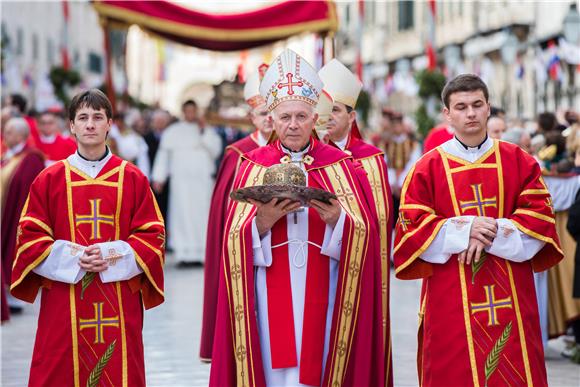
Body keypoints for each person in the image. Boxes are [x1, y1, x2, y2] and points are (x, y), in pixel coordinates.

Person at [210, 49, 383, 387]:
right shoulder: (253, 165)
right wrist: (262, 222)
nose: (293, 125)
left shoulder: (340, 165)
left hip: (327, 286)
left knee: (319, 365)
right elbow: (232, 239)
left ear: (314, 118)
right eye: (285, 117)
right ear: (271, 119)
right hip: (267, 285)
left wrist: (338, 220)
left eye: (301, 116)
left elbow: (368, 234)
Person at [393, 74, 563, 386]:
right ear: (447, 114)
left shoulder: (519, 161)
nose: (470, 113)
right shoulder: (427, 167)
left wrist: (490, 231)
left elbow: (541, 218)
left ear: (488, 109)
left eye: (477, 105)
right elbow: (409, 229)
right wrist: (465, 229)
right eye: (461, 107)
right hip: (450, 294)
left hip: (510, 289)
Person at [10, 89, 165, 386]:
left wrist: (110, 255)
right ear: (71, 125)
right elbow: (29, 237)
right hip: (63, 298)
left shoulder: (132, 178)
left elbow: (153, 236)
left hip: (118, 298)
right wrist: (74, 257)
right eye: (83, 118)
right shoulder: (49, 179)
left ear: (109, 124)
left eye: (98, 117)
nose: (90, 124)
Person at [319, 58, 393, 387]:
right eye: (323, 109)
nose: (327, 118)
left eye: (336, 110)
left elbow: (381, 220)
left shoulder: (371, 158)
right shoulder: (306, 157)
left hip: (359, 266)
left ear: (352, 117)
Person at [200, 65, 272, 361]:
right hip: (246, 247)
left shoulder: (296, 152)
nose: (269, 119)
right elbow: (223, 214)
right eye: (262, 113)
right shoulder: (237, 153)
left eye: (273, 111)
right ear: (251, 117)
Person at [152, 99, 221, 264]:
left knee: (202, 215)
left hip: (202, 182)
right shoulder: (173, 131)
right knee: (181, 215)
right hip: (181, 182)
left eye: (193, 110)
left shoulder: (206, 130)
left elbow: (216, 151)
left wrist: (203, 132)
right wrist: (158, 177)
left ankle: (203, 254)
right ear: (184, 111)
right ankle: (184, 254)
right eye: (187, 111)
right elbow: (163, 156)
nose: (190, 114)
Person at [1, 118, 45, 321]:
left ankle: (13, 298)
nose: (4, 134)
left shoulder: (32, 158)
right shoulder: (10, 155)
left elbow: (27, 188)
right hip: (4, 211)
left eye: (8, 132)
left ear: (20, 135)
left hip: (16, 213)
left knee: (12, 251)